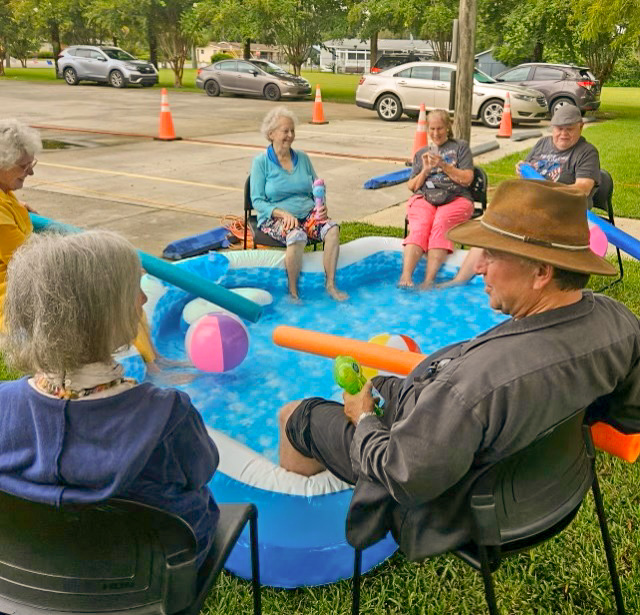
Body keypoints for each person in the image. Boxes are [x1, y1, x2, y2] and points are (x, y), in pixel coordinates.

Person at [277, 179, 640, 561]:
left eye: (493, 255)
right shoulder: (619, 323)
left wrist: (364, 418)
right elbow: (630, 413)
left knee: (295, 416)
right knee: (382, 383)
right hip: (555, 492)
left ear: (542, 273)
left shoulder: (473, 387)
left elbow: (404, 476)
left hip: (463, 510)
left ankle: (307, 540)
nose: (479, 265)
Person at [0, 231, 220, 567]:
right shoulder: (167, 415)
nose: (144, 301)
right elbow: (202, 470)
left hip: (33, 571)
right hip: (151, 577)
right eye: (134, 290)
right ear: (101, 313)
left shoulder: (4, 404)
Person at [444, 104, 600, 288]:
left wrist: (545, 192)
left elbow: (582, 188)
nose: (563, 134)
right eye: (559, 129)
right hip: (531, 206)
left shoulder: (586, 152)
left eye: (569, 129)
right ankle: (461, 281)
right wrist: (523, 169)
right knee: (490, 225)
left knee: (510, 236)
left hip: (562, 214)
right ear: (552, 128)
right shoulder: (543, 143)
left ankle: (509, 286)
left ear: (580, 127)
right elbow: (528, 169)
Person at [250, 106, 347, 301]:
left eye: (292, 130)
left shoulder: (302, 158)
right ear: (271, 134)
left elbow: (317, 187)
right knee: (297, 235)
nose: (290, 135)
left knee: (333, 230)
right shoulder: (261, 162)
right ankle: (293, 292)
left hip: (307, 213)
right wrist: (283, 214)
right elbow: (257, 201)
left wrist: (321, 206)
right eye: (285, 131)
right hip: (276, 217)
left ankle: (330, 285)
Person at [398, 109, 474, 289]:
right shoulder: (422, 152)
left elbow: (467, 178)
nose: (435, 133)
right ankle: (405, 276)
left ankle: (428, 280)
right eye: (432, 129)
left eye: (440, 128)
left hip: (456, 198)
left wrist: (443, 165)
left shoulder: (460, 148)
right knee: (422, 224)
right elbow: (412, 186)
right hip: (425, 197)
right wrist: (425, 170)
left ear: (448, 127)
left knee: (441, 223)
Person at [0, 119, 41, 326]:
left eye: (31, 164)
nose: (31, 173)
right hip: (10, 307)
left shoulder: (5, 194)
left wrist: (17, 207)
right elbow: (30, 263)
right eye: (24, 166)